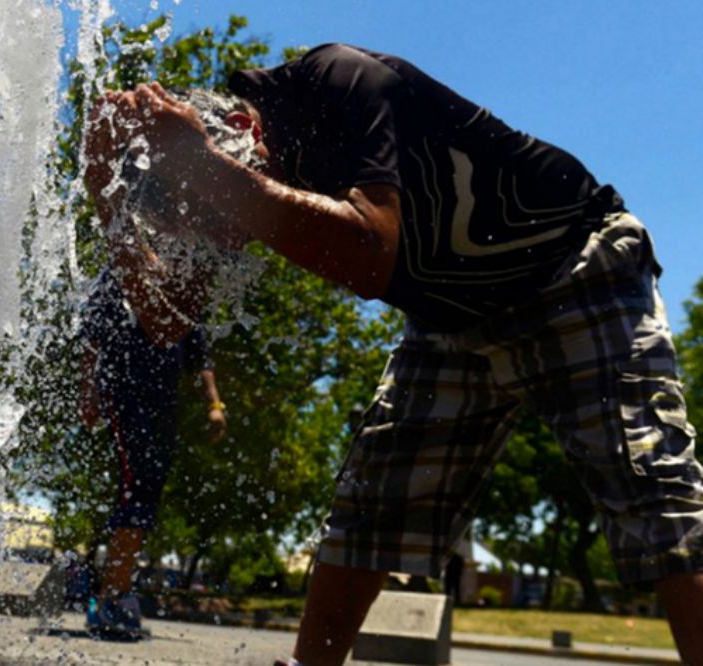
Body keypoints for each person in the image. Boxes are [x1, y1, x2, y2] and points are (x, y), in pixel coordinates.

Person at [85, 43, 703, 665]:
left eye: (216, 215)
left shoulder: (337, 79)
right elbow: (167, 321)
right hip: (452, 317)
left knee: (652, 487)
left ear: (239, 135)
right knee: (372, 505)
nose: (229, 238)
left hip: (571, 265)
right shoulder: (235, 177)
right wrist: (106, 202)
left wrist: (207, 170)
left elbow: (369, 253)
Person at [78, 264, 227, 636]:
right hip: (122, 387)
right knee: (138, 482)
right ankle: (110, 598)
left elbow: (199, 352)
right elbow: (93, 336)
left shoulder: (185, 272)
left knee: (149, 489)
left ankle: (116, 591)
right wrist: (88, 390)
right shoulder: (122, 266)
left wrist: (215, 404)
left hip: (164, 398)